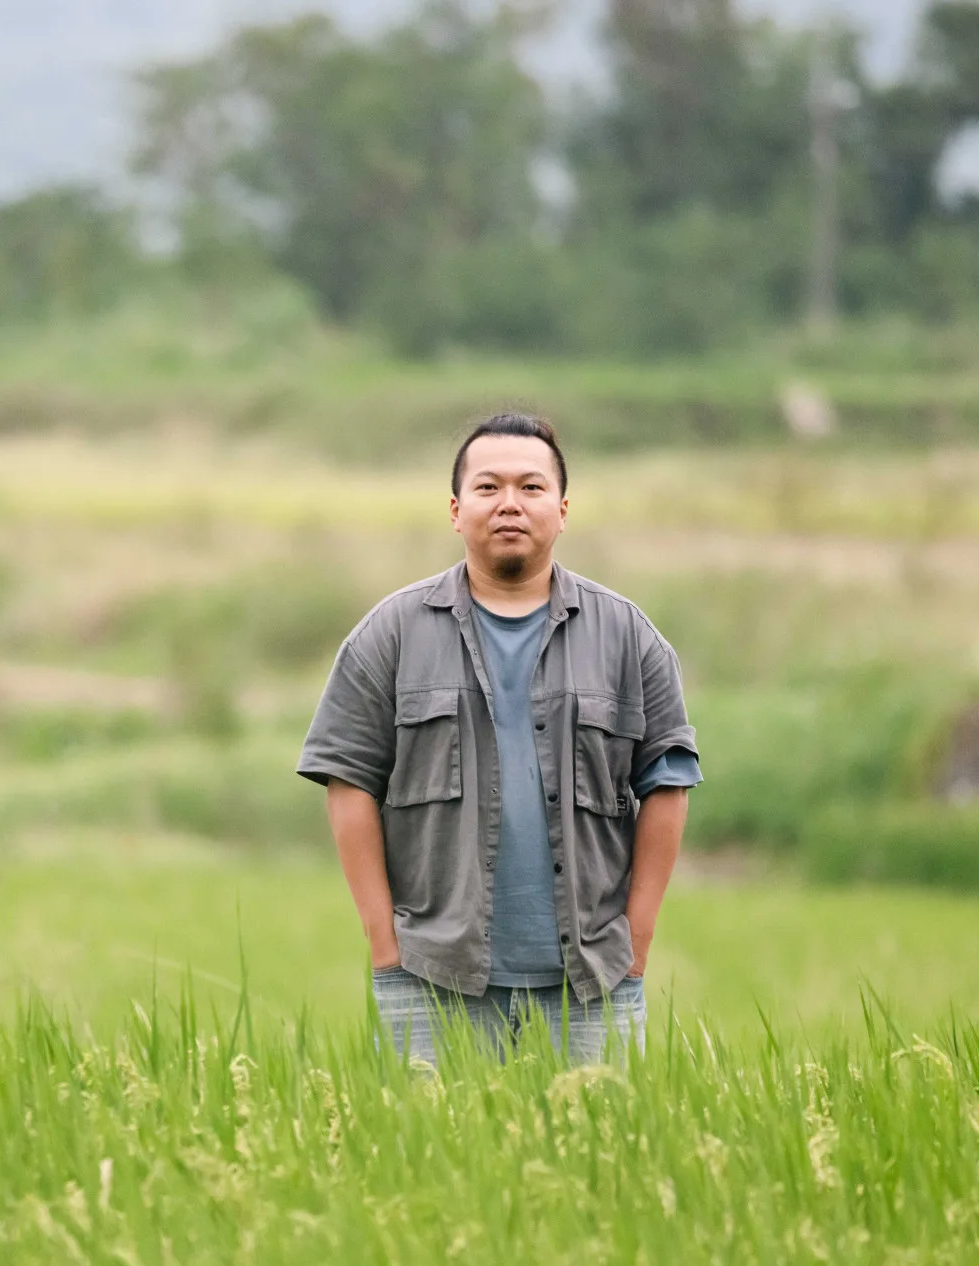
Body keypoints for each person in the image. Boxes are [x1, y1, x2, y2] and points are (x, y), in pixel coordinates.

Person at [297, 413, 701, 1066]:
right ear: (457, 511)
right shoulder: (391, 634)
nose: (509, 503)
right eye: (488, 488)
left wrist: (638, 940)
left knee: (596, 1163)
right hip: (432, 977)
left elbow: (668, 785)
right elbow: (347, 783)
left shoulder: (629, 638)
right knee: (431, 1163)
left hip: (592, 983)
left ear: (562, 510)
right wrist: (386, 948)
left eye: (531, 487)